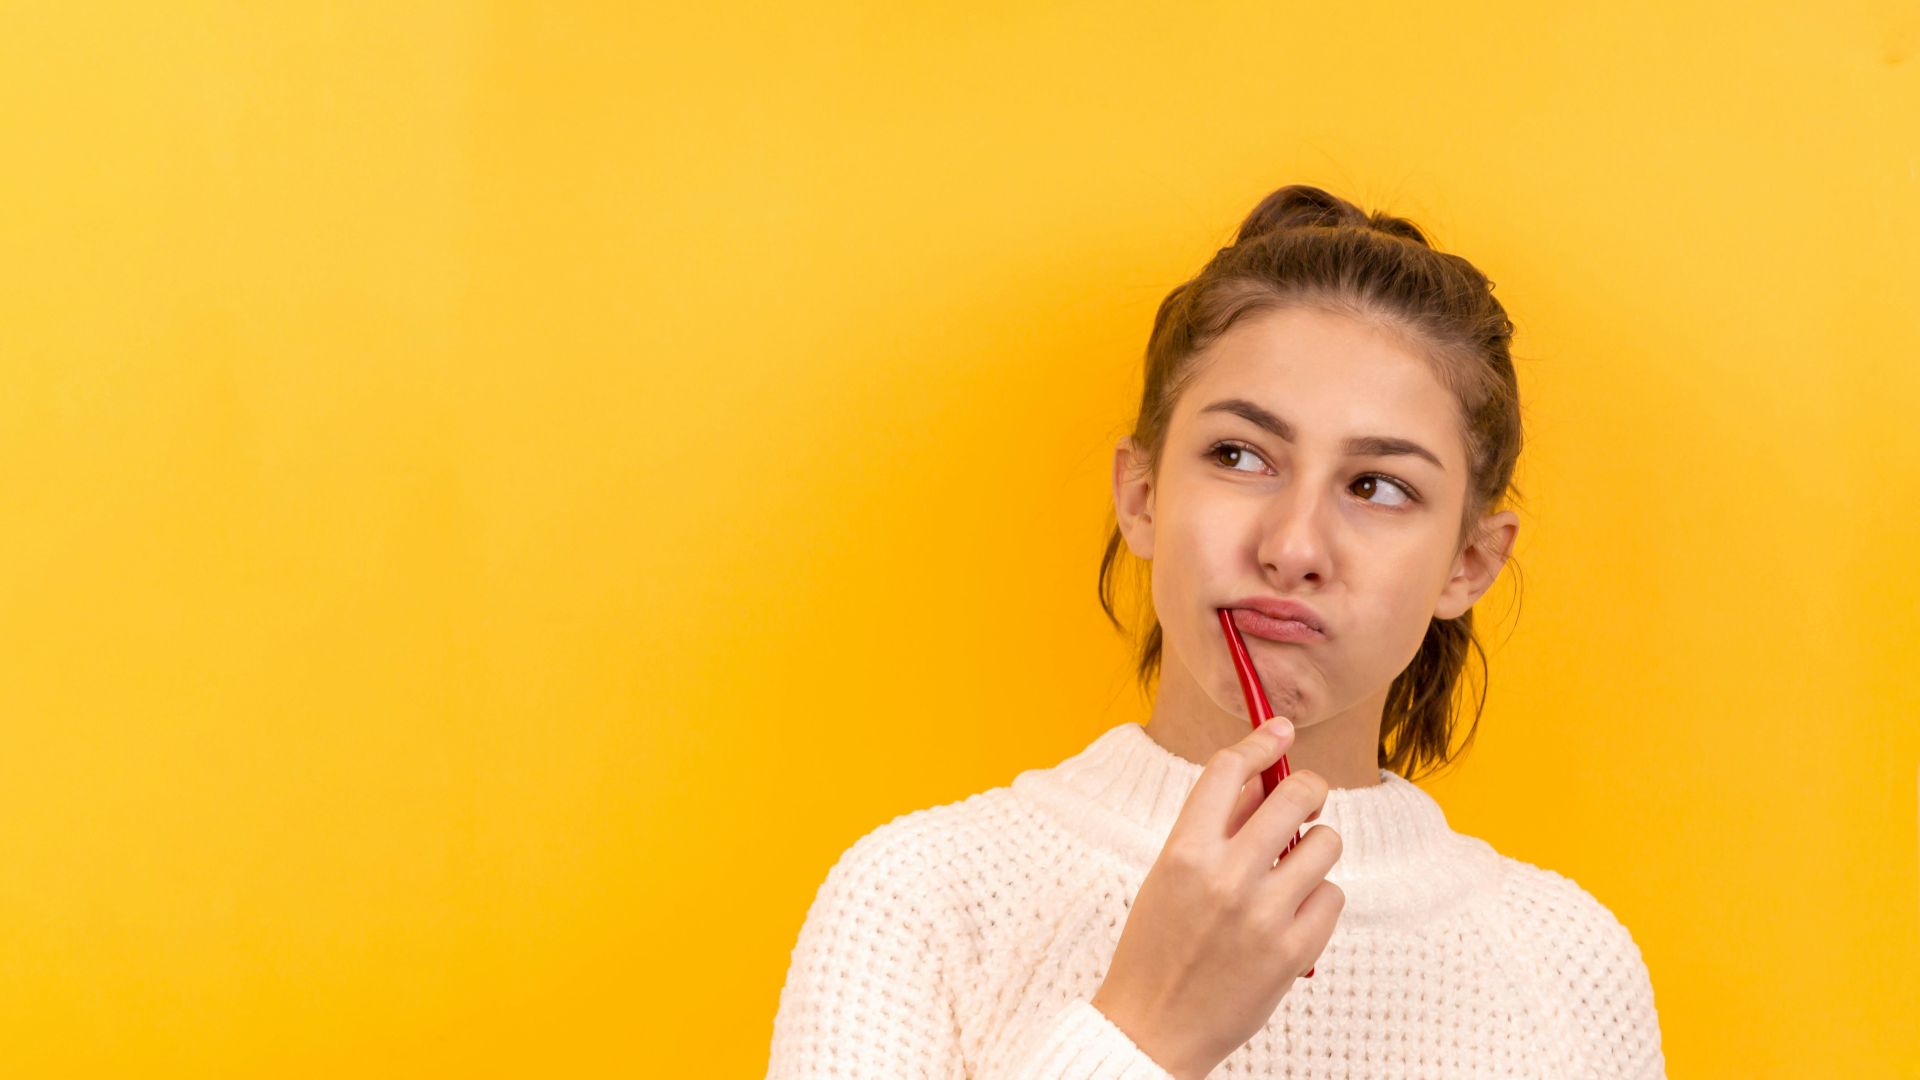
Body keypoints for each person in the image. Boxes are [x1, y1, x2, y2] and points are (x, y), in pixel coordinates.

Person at [765, 184, 1667, 1079]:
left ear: (1469, 563)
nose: (1293, 547)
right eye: (1240, 456)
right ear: (1143, 495)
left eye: (1377, 486)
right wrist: (1146, 1034)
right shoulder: (919, 903)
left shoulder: (1570, 968)